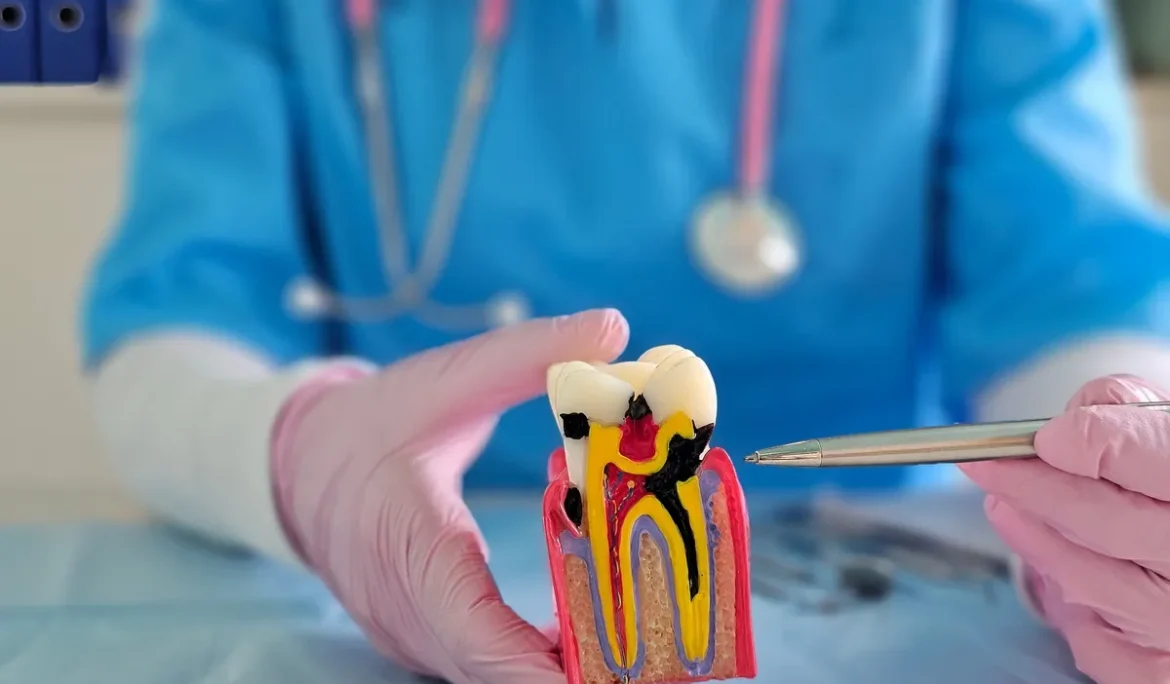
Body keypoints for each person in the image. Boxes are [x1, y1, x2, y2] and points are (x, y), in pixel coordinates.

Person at [81, 1, 1170, 682]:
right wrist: (295, 455)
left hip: (897, 552)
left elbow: (1072, 291)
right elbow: (174, 319)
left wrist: (1113, 504)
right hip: (411, 555)